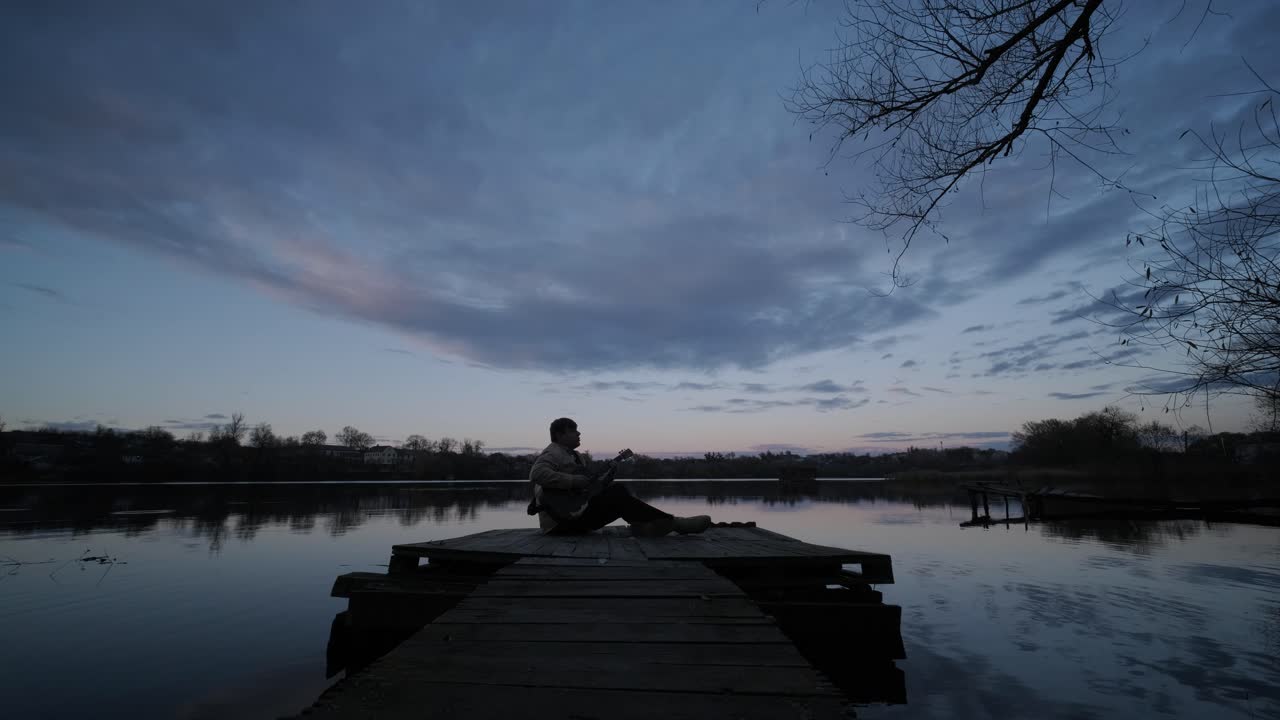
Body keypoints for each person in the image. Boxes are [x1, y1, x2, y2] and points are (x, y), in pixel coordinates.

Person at [528, 417, 712, 536]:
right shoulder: (552, 453)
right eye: (573, 430)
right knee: (617, 493)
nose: (579, 433)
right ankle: (675, 524)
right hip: (559, 524)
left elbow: (587, 491)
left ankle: (645, 527)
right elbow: (536, 474)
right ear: (560, 435)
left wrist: (608, 476)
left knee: (617, 491)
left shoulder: (576, 457)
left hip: (574, 517)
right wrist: (574, 480)